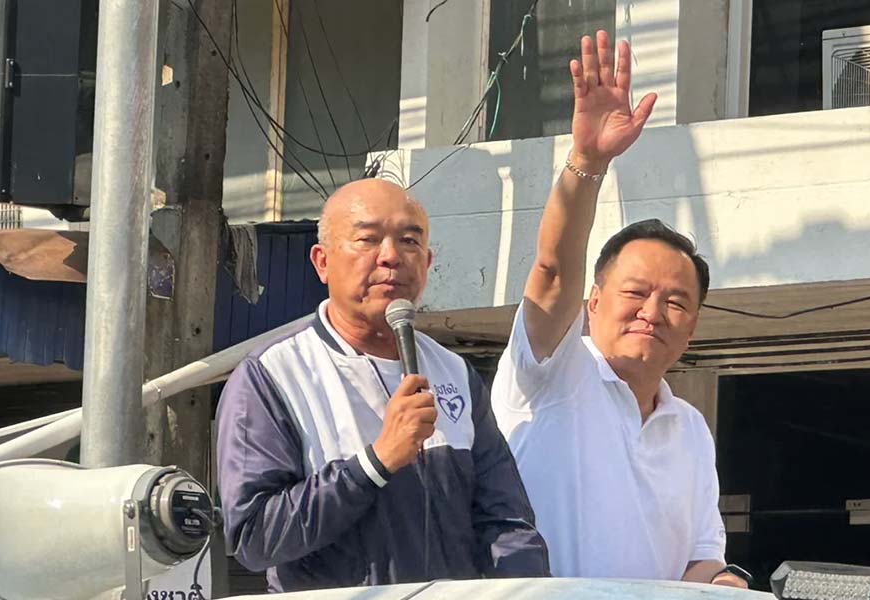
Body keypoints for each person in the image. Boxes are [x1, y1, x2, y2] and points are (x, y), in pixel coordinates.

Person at [490, 31, 750, 588]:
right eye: (635, 292)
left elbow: (700, 559)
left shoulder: (690, 430)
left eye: (675, 301)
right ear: (593, 302)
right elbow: (553, 271)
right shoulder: (551, 374)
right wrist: (587, 162)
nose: (652, 312)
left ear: (692, 327)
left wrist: (724, 584)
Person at [216, 179, 549, 592]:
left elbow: (505, 521)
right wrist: (374, 464)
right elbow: (255, 537)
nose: (391, 256)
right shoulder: (273, 375)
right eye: (368, 239)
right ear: (322, 261)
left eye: (409, 241)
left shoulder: (454, 373)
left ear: (428, 262)